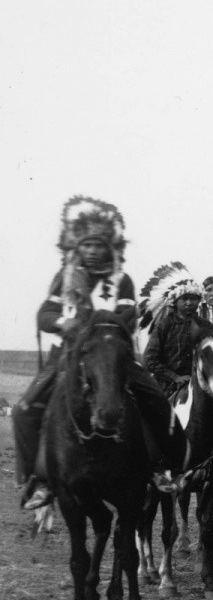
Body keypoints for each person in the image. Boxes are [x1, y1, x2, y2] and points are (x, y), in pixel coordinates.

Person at [14, 197, 173, 512]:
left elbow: (130, 318)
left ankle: (160, 466)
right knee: (23, 409)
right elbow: (45, 314)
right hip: (68, 357)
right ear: (76, 247)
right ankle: (40, 479)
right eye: (86, 245)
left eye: (98, 245)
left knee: (154, 398)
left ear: (109, 248)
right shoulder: (65, 278)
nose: (91, 250)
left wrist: (101, 328)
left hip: (113, 355)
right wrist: (64, 321)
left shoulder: (121, 280)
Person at [141, 264, 212, 399]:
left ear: (199, 301)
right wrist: (175, 377)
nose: (189, 303)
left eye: (193, 298)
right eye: (184, 299)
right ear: (175, 301)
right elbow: (150, 360)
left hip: (202, 387)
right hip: (168, 387)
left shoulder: (206, 326)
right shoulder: (164, 325)